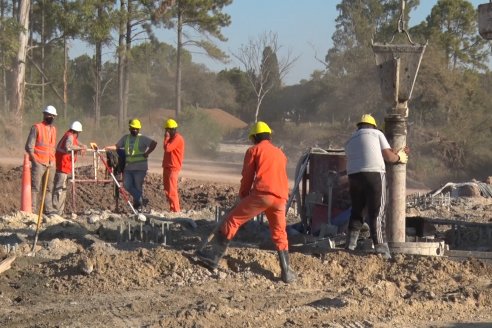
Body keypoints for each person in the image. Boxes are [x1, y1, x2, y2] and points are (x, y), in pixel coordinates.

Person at [197, 121, 297, 283]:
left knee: (232, 220)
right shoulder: (280, 153)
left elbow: (248, 176)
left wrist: (243, 195)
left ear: (255, 137)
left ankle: (213, 257)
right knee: (279, 233)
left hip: (262, 195)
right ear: (269, 136)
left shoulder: (254, 150)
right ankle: (287, 272)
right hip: (281, 198)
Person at [344, 114, 408, 259]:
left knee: (357, 212)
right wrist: (399, 157)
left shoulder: (350, 139)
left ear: (359, 126)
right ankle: (382, 250)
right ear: (373, 126)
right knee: (377, 213)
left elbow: (363, 155)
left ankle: (349, 247)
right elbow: (389, 157)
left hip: (353, 176)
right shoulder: (377, 133)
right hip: (374, 175)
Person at [107, 119, 157, 211]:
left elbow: (154, 143)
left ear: (139, 129)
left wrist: (147, 153)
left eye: (136, 129)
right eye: (133, 128)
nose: (135, 130)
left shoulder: (142, 138)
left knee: (138, 186)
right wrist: (107, 148)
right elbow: (117, 146)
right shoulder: (126, 138)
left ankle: (138, 207)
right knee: (127, 185)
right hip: (129, 167)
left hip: (140, 167)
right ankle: (141, 200)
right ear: (130, 128)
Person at [25, 105, 58, 216]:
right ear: (44, 115)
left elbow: (52, 147)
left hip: (50, 163)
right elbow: (29, 146)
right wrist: (34, 160)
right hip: (38, 162)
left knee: (48, 188)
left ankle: (47, 210)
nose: (50, 117)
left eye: (52, 115)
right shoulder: (37, 127)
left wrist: (52, 161)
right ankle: (32, 210)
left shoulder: (53, 129)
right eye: (49, 115)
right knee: (35, 188)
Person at [53, 121, 87, 215]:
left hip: (64, 166)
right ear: (78, 132)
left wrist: (81, 145)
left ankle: (59, 211)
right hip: (63, 166)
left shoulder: (69, 135)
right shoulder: (70, 136)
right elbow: (68, 147)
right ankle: (55, 211)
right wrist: (80, 148)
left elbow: (75, 142)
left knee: (62, 189)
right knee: (60, 189)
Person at [162, 118, 185, 212]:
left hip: (173, 168)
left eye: (167, 130)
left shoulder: (177, 138)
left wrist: (166, 138)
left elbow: (167, 149)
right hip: (167, 166)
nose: (166, 132)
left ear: (172, 129)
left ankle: (176, 210)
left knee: (172, 191)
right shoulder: (171, 138)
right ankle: (172, 209)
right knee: (167, 190)